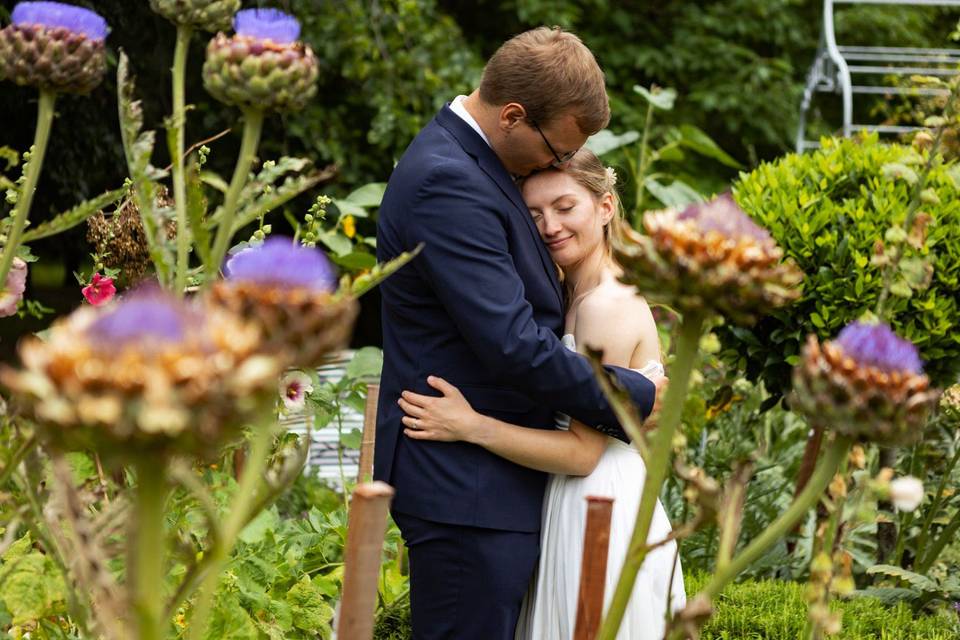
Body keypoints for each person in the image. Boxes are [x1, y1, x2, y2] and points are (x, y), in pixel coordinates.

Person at [375, 27, 663, 640]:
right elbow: (512, 345)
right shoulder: (448, 179)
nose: (558, 166)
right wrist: (635, 395)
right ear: (512, 115)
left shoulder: (473, 164)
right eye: (557, 151)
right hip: (466, 491)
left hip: (494, 485)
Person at [399, 149, 686, 639]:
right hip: (569, 499)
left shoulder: (607, 307)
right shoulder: (570, 297)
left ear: (606, 207)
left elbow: (581, 454)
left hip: (599, 505)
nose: (550, 225)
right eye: (534, 214)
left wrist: (471, 426)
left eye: (565, 206)